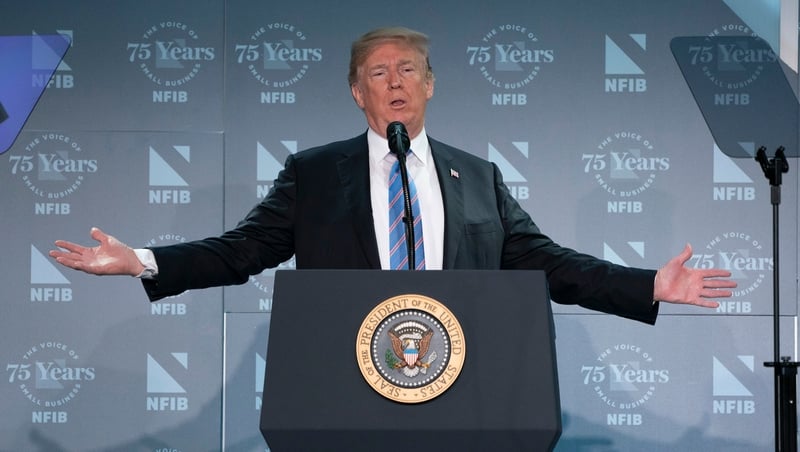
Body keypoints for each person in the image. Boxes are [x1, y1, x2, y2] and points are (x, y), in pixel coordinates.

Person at [49, 27, 735, 324]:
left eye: (408, 68)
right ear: (357, 93)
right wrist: (140, 260)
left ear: (431, 84)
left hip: (459, 375)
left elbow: (548, 263)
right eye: (378, 72)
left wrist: (649, 283)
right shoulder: (314, 174)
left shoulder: (478, 176)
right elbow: (242, 251)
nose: (395, 81)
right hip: (346, 377)